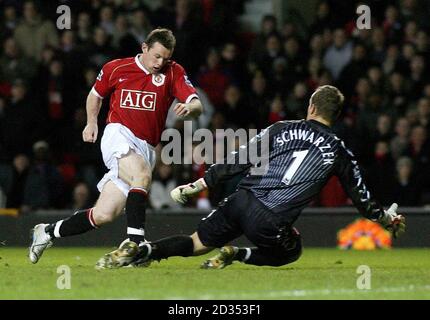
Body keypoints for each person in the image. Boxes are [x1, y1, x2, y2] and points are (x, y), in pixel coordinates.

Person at [95, 85, 405, 269]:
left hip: (240, 199)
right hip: (270, 219)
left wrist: (199, 184)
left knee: (197, 244)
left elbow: (239, 160)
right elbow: (361, 199)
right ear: (335, 116)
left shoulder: (282, 127)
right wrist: (386, 219)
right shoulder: (339, 150)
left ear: (311, 106)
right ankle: (238, 253)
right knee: (292, 249)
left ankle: (142, 250)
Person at [29, 28, 203, 264]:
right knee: (141, 176)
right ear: (144, 48)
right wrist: (91, 122)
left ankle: (47, 232)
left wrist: (189, 108)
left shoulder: (173, 72)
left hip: (146, 148)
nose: (160, 62)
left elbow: (196, 104)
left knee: (103, 214)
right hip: (117, 134)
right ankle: (136, 244)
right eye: (156, 56)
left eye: (165, 58)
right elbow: (95, 95)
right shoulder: (116, 68)